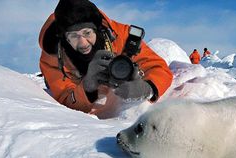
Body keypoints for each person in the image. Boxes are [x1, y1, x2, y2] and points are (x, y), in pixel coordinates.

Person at [38, 0, 173, 119]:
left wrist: (146, 88)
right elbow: (65, 99)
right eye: (73, 36)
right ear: (64, 38)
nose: (83, 43)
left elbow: (159, 68)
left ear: (97, 29)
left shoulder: (121, 35)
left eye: (87, 33)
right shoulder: (52, 56)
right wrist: (87, 87)